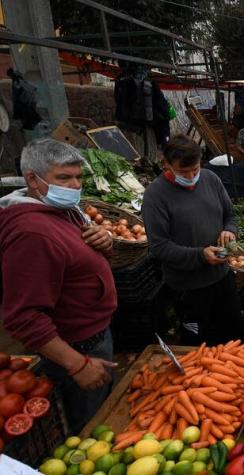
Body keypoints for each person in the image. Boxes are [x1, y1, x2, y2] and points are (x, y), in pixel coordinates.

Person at [0, 138, 117, 433]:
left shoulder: (61, 210)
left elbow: (74, 261)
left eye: (78, 177)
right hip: (74, 349)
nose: (75, 185)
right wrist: (77, 365)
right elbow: (23, 316)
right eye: (63, 177)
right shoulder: (32, 234)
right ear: (33, 180)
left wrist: (103, 242)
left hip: (95, 336)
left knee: (102, 413)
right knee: (87, 428)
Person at [142, 135, 244, 345]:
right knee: (201, 347)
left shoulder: (210, 179)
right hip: (188, 289)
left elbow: (230, 215)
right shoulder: (155, 195)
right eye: (182, 172)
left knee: (234, 338)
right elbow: (159, 247)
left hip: (223, 279)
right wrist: (200, 255)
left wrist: (229, 231)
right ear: (166, 164)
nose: (190, 177)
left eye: (195, 170)